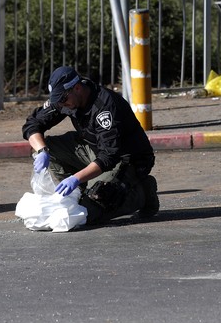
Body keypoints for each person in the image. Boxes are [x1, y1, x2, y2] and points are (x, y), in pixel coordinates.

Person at [22, 66, 159, 225]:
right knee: (49, 149)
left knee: (90, 211)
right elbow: (32, 125)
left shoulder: (104, 107)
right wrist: (42, 150)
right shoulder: (66, 98)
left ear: (77, 88)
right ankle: (77, 195)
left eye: (63, 100)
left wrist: (75, 178)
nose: (61, 104)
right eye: (58, 100)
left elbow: (109, 156)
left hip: (126, 159)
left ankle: (143, 192)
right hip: (94, 149)